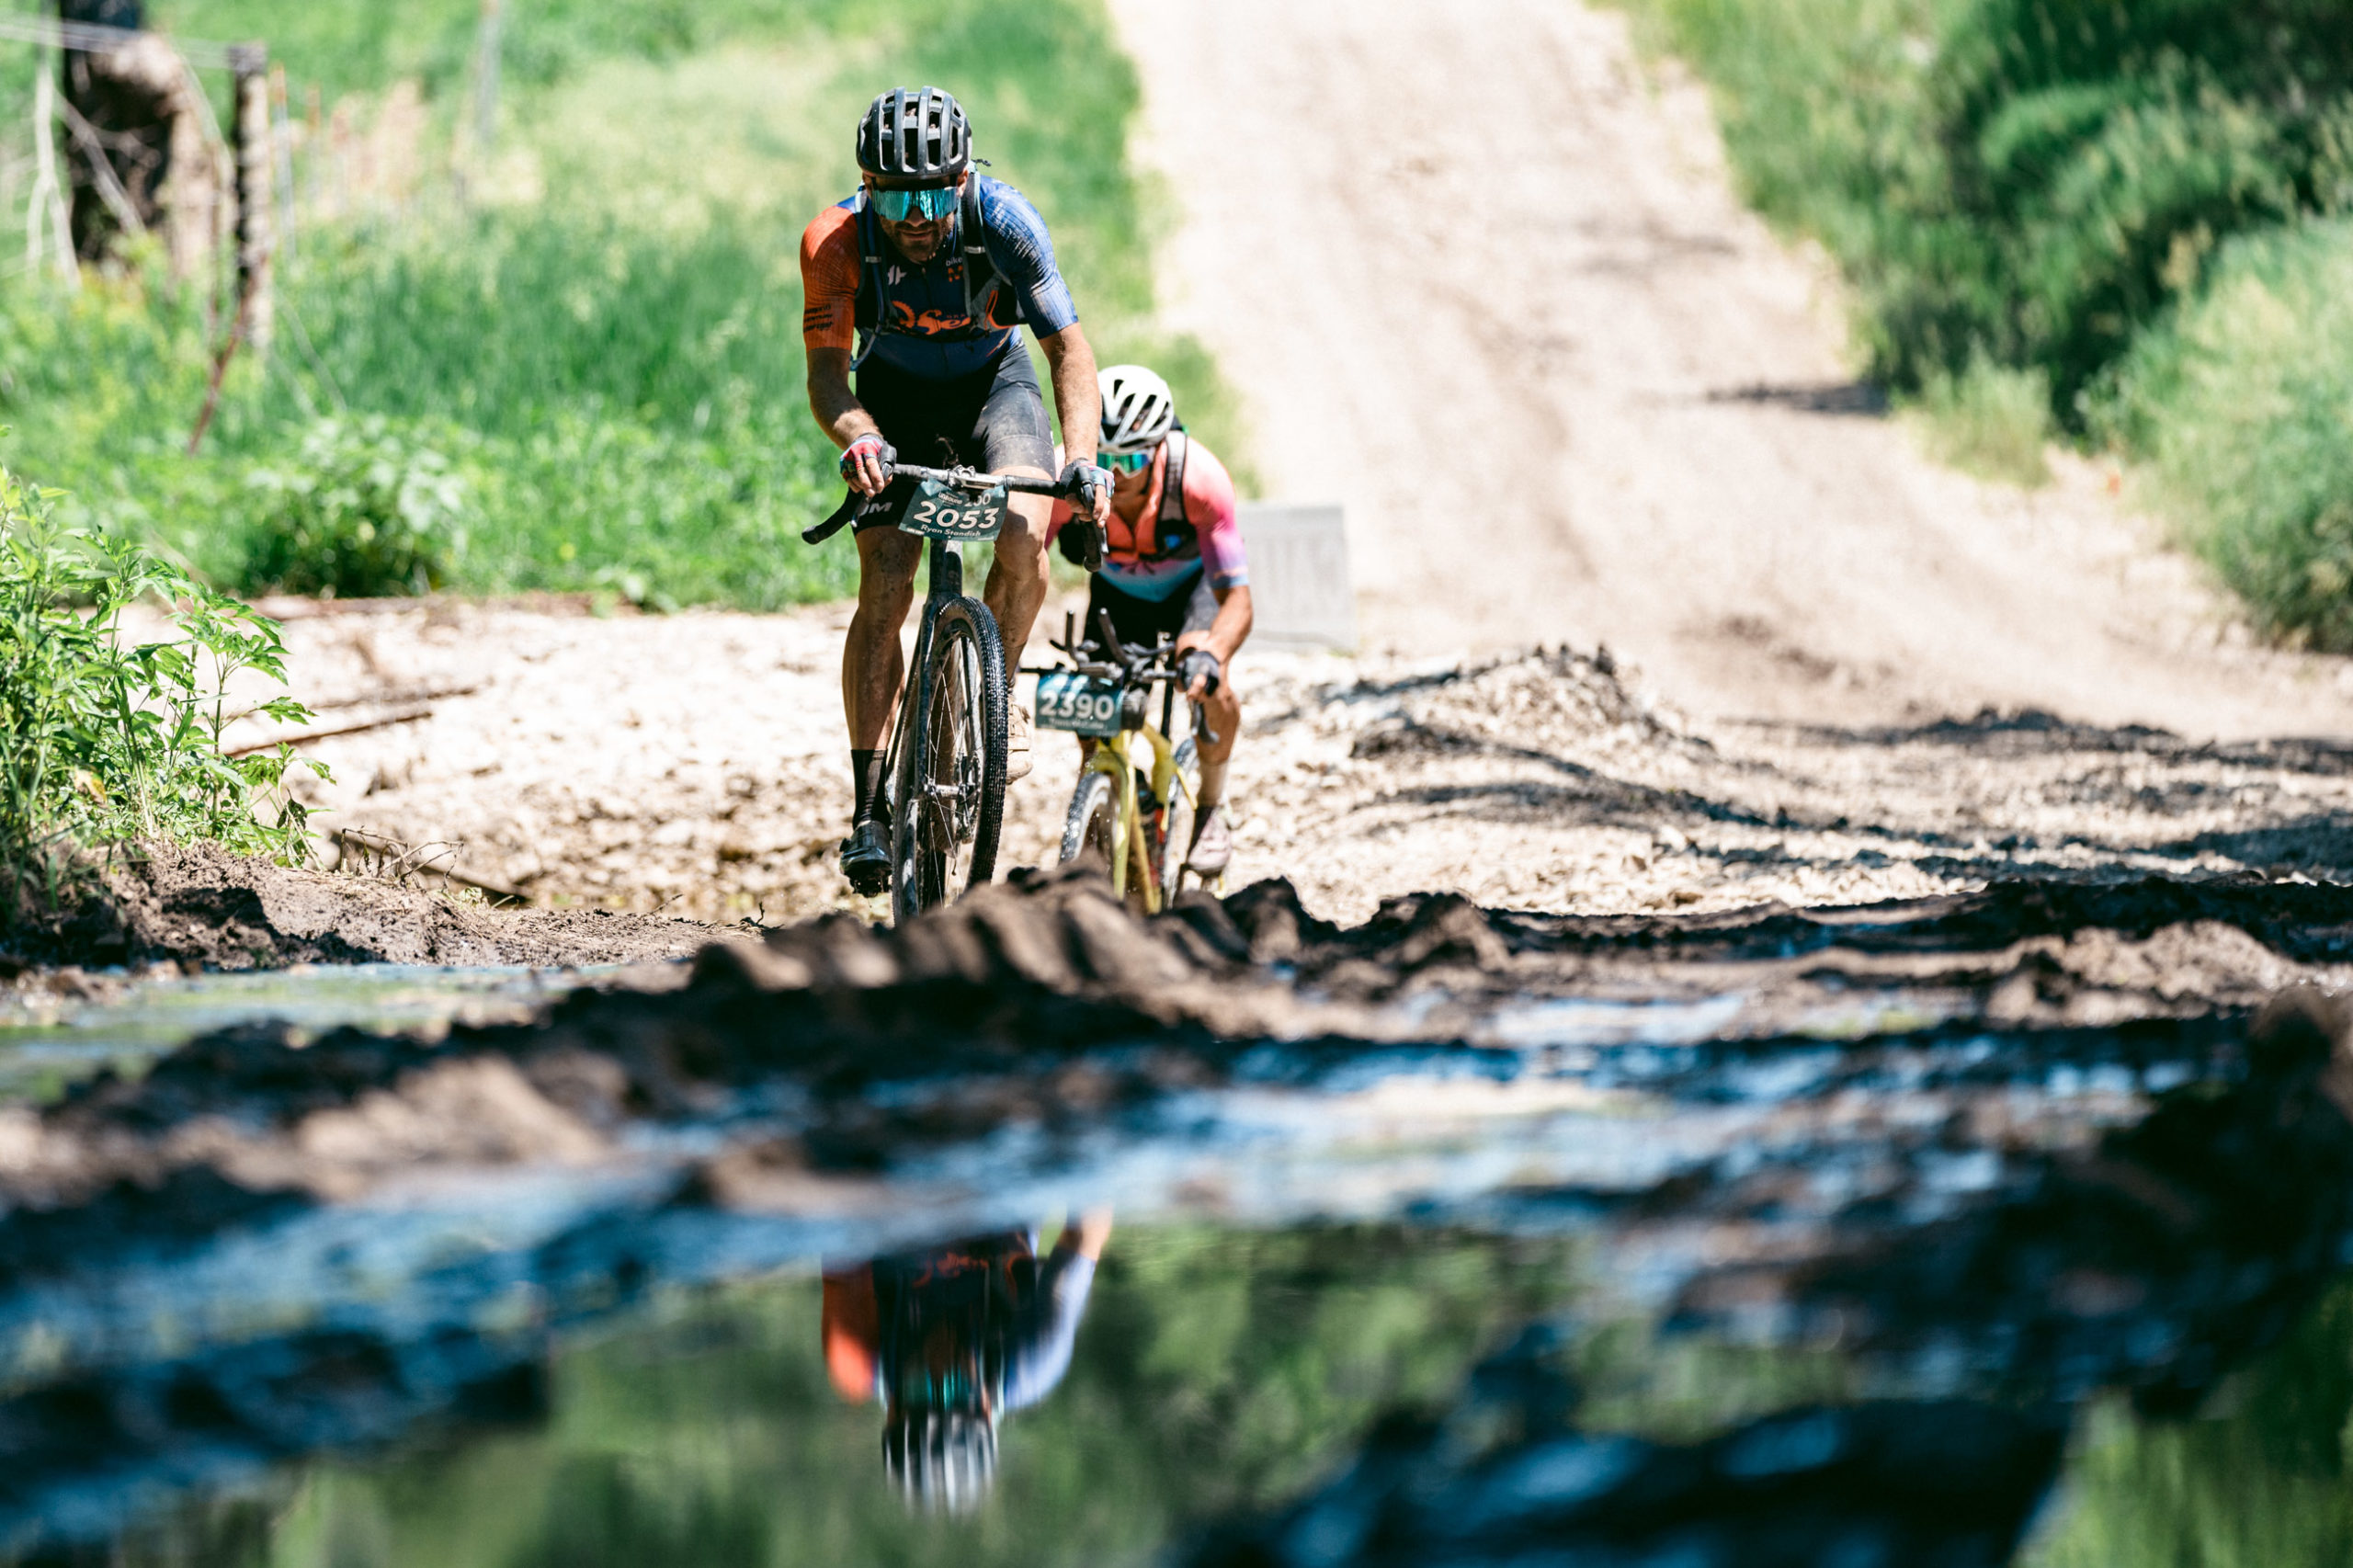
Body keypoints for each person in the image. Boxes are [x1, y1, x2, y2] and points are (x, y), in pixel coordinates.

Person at [801, 85, 1112, 895]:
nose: (914, 214)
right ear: (866, 187)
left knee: (1022, 530)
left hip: (995, 390)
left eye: (932, 194)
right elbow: (829, 376)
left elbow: (1069, 354)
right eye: (894, 195)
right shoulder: (834, 244)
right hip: (892, 402)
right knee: (886, 583)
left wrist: (1080, 459)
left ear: (964, 178)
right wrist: (859, 436)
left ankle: (994, 699)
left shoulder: (1006, 223)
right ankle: (870, 810)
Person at [1048, 365, 1251, 873]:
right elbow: (1024, 559)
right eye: (1106, 458)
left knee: (1207, 680)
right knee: (1089, 701)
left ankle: (1210, 809)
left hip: (1190, 594)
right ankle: (1106, 794)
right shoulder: (1066, 472)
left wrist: (1212, 653)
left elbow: (1239, 600)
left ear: (1160, 447)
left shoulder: (1200, 480)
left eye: (1134, 459)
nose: (1116, 473)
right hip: (1117, 595)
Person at [821, 1211, 1113, 1512]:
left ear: (893, 1405)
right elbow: (1084, 1238)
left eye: (920, 1387)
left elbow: (835, 1226)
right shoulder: (1031, 1361)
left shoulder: (855, 1355)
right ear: (987, 1407)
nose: (939, 1367)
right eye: (958, 1387)